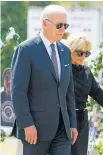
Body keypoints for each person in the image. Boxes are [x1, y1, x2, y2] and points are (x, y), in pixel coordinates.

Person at [11, 5, 78, 155]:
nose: (63, 29)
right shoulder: (26, 50)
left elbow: (69, 92)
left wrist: (72, 124)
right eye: (59, 25)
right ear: (45, 23)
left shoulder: (65, 51)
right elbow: (18, 92)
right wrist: (27, 124)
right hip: (35, 129)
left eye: (65, 25)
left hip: (63, 130)